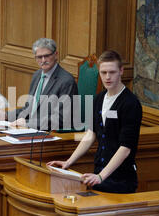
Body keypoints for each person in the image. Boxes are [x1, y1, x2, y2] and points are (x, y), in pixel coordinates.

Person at [47, 50, 142, 194]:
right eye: (103, 73)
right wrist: (68, 162)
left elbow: (125, 148)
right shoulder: (99, 99)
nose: (108, 77)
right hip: (99, 174)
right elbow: (90, 134)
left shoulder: (130, 103)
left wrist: (101, 176)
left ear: (121, 71)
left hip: (121, 180)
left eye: (112, 72)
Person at [0, 38, 78, 130]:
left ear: (56, 55)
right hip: (30, 130)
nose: (43, 60)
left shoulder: (66, 81)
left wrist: (29, 123)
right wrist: (6, 115)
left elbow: (61, 118)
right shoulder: (37, 75)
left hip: (50, 133)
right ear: (35, 58)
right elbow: (29, 109)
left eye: (47, 56)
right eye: (39, 57)